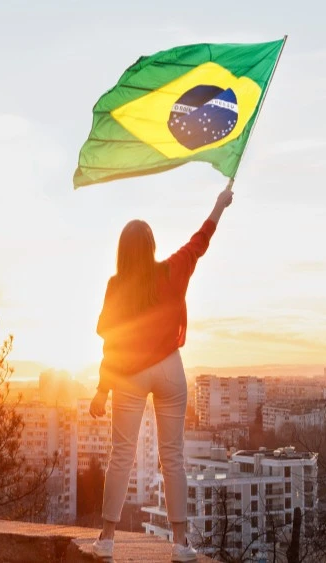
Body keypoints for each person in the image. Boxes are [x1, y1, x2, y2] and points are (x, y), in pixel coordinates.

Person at [89, 186, 234, 562]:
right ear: (151, 247)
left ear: (122, 251)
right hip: (169, 370)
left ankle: (106, 539)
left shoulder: (116, 286)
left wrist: (102, 390)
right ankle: (181, 545)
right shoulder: (172, 270)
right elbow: (200, 240)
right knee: (174, 457)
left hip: (129, 374)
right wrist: (219, 203)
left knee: (121, 454)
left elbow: (113, 344)